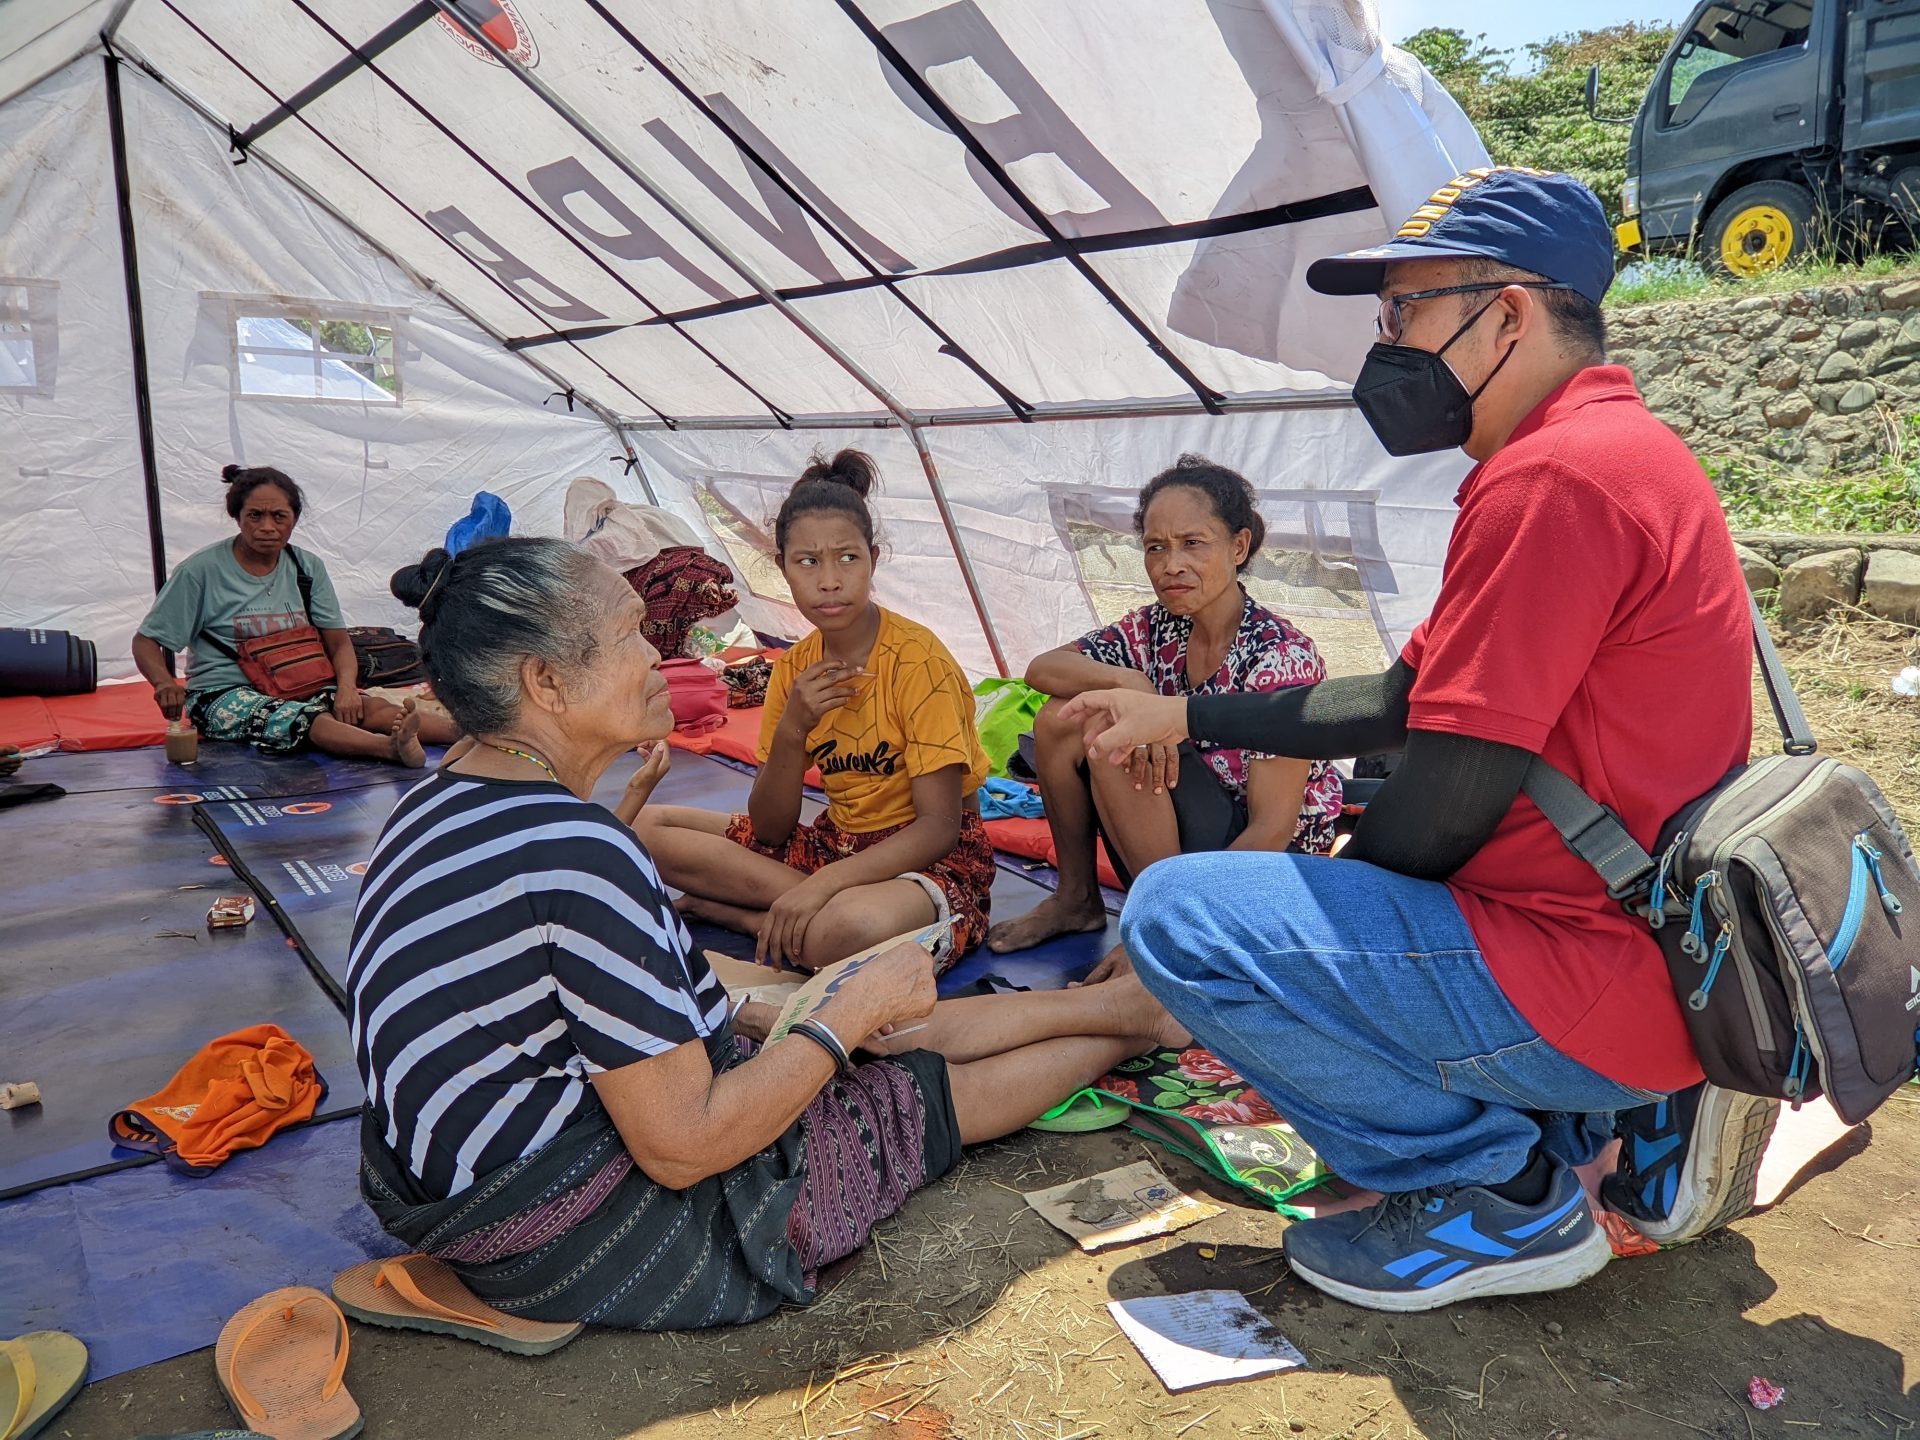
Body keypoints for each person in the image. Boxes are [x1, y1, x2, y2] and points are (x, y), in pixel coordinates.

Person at [1059, 167, 1766, 1311]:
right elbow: (1399, 700)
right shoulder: (1611, 450)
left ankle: (1490, 1192)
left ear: (1511, 314)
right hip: (1630, 948)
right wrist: (1183, 712)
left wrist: (1322, 930)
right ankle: (1570, 1117)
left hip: (1575, 967)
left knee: (1181, 917)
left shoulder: (1555, 482)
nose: (1383, 345)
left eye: (1407, 313)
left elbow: (1447, 795)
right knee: (1282, 898)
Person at [349, 537, 1183, 1328]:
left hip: (469, 1182)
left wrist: (799, 1011)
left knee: (839, 1012)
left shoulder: (436, 798)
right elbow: (685, 1149)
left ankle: (1129, 1012)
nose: (656, 655)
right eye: (631, 634)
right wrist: (838, 1021)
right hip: (564, 1223)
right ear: (546, 683)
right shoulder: (576, 849)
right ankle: (1135, 1025)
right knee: (902, 1092)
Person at [634, 451, 994, 973]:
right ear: (782, 567)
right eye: (808, 562)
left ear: (872, 559)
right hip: (835, 848)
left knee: (851, 930)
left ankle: (749, 915)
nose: (829, 580)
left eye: (847, 559)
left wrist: (820, 888)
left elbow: (939, 826)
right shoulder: (794, 670)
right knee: (643, 828)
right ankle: (802, 909)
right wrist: (794, 729)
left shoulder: (919, 663)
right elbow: (772, 830)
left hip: (930, 864)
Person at [986, 456, 1343, 955]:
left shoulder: (1279, 656)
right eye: (1156, 547)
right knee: (1062, 719)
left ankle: (1168, 930)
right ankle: (1076, 898)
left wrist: (1190, 930)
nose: (1171, 565)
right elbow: (1042, 669)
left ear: (1238, 547)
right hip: (1181, 834)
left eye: (1192, 544)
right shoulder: (1160, 627)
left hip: (1263, 867)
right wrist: (1130, 682)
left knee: (1110, 734)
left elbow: (1272, 828)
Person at [132, 465, 458, 764]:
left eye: (278, 516)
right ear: (238, 517)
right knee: (307, 718)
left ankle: (466, 736)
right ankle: (389, 748)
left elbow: (339, 643)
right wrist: (163, 683)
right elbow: (146, 642)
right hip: (223, 693)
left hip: (300, 682)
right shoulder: (200, 571)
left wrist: (346, 688)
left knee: (369, 709)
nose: (267, 527)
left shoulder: (307, 567)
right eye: (255, 516)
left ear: (294, 519)